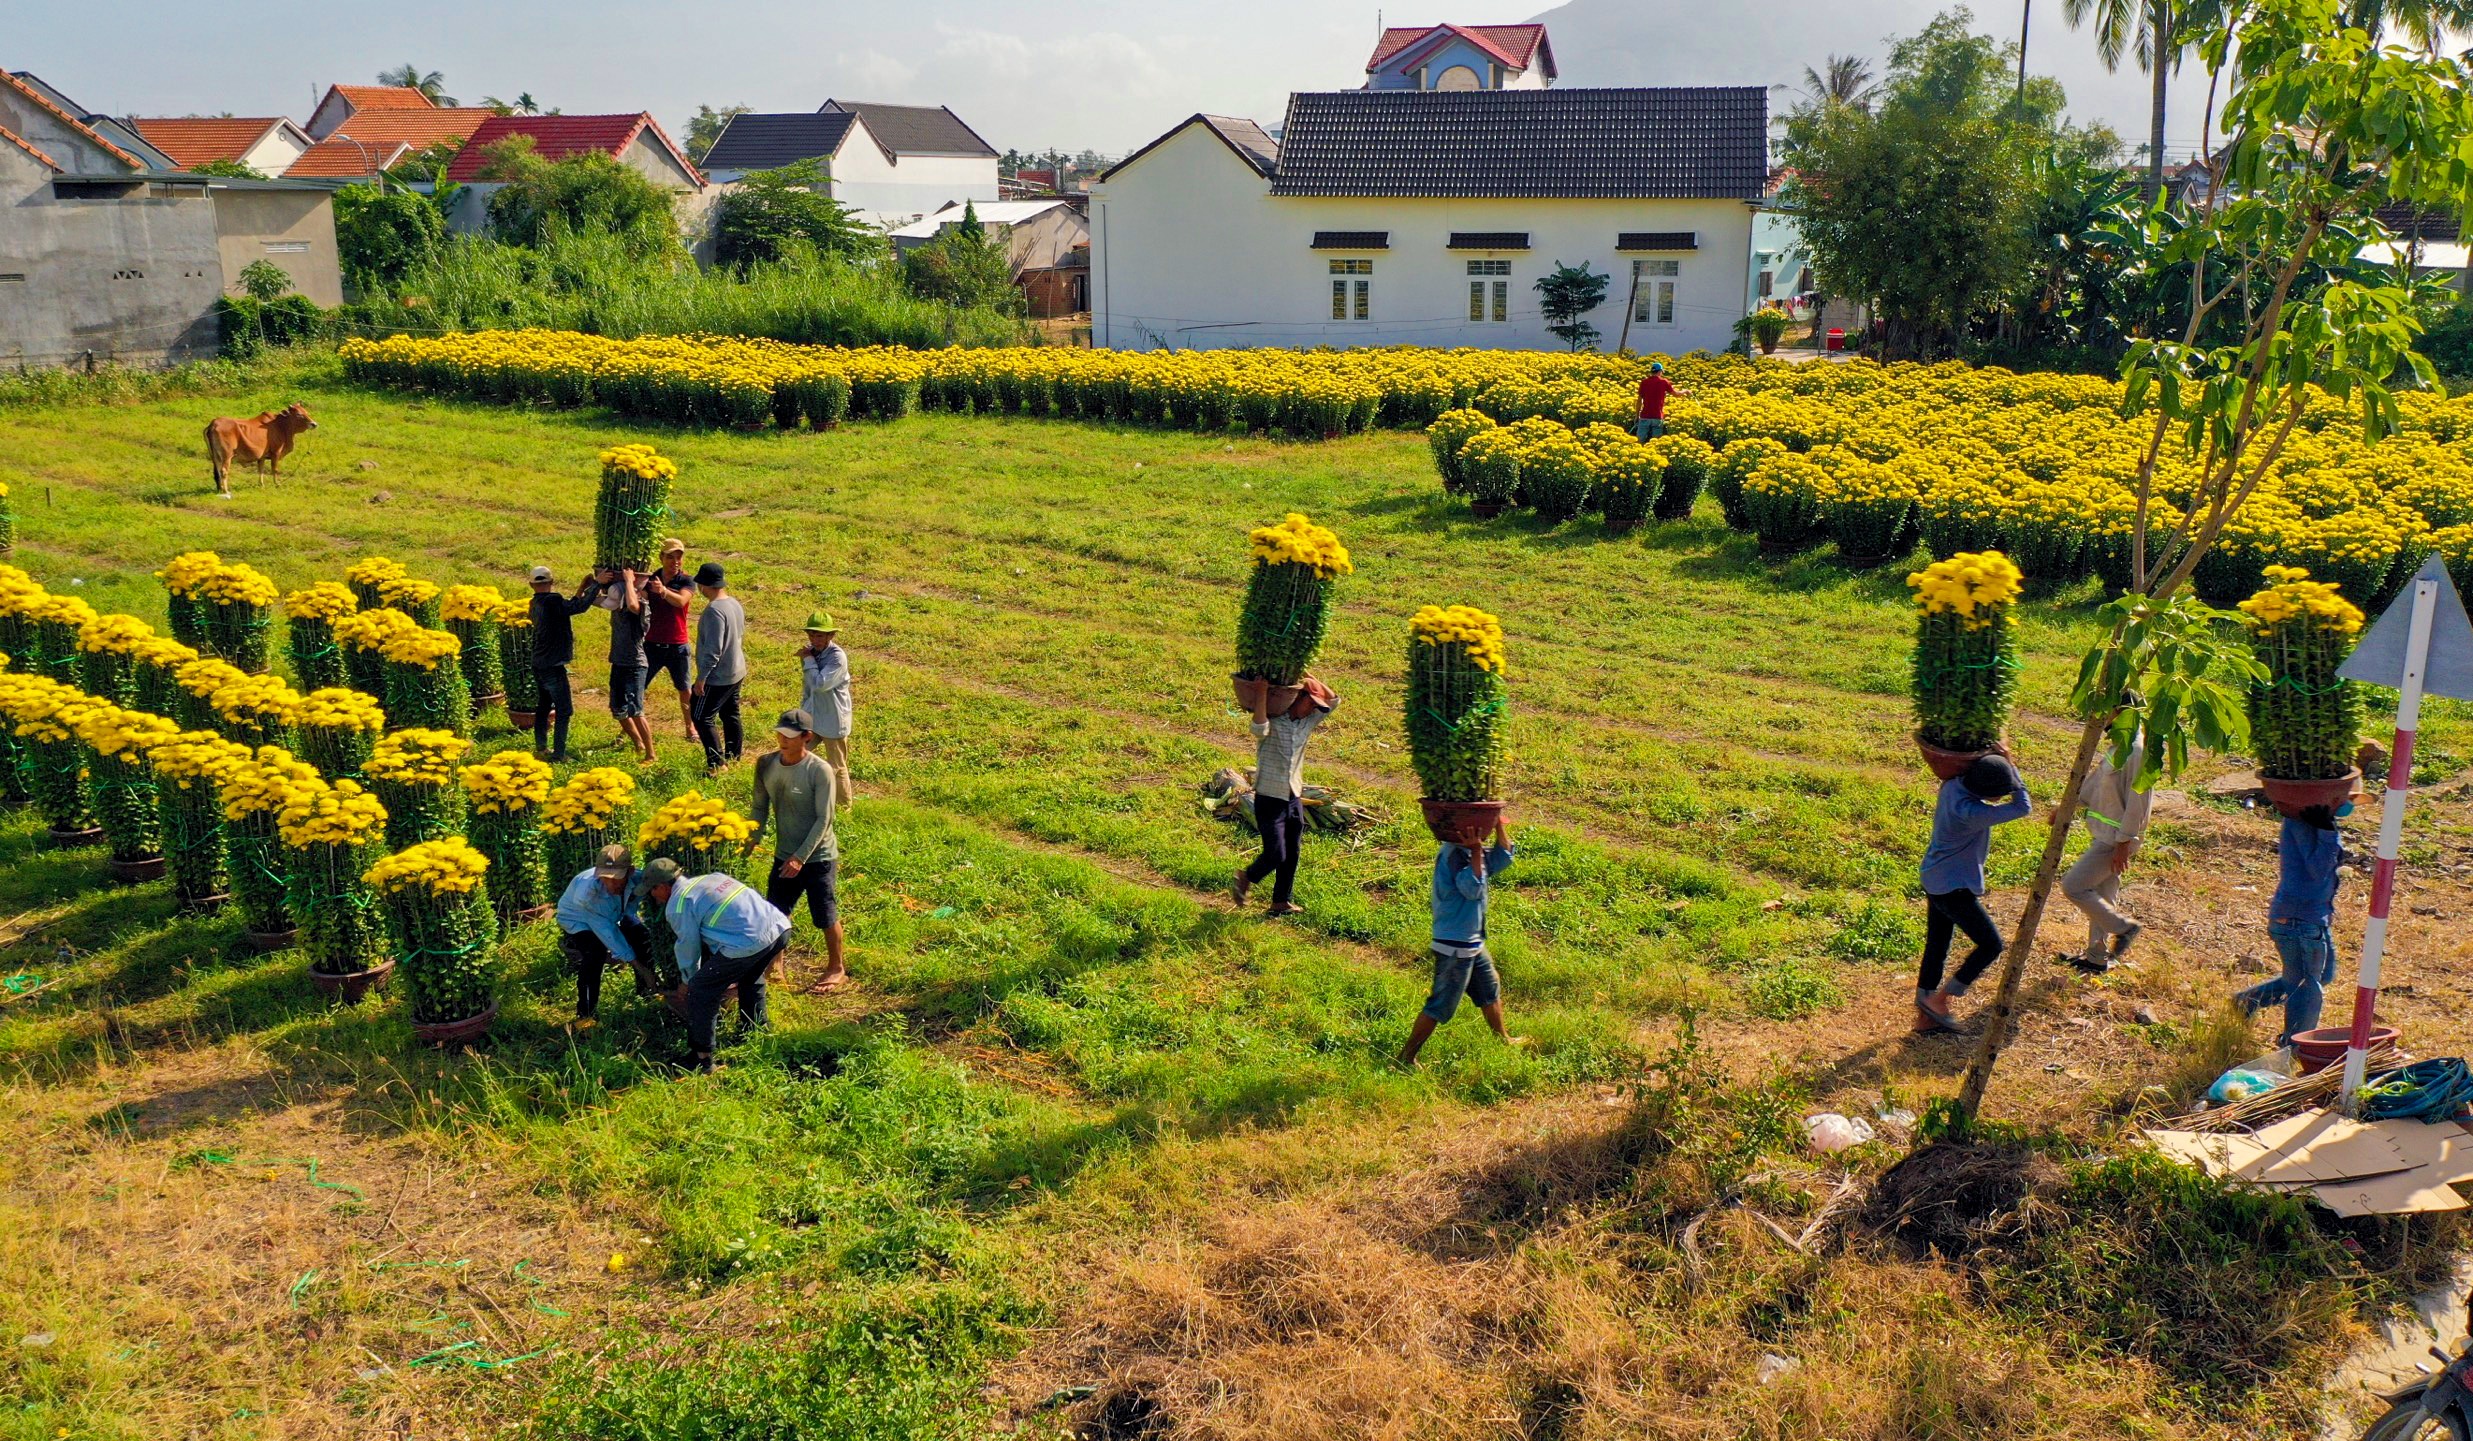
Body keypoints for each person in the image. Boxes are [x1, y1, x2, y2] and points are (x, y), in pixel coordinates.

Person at [1914, 753, 2033, 1033]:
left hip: (1934, 877)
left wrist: (1998, 761)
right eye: (1998, 792)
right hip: (1953, 888)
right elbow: (2023, 807)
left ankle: (1924, 1016)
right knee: (1991, 945)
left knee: (1937, 945)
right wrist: (2012, 768)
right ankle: (1939, 1001)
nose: (2000, 797)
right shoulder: (1972, 813)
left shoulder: (1951, 787)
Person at [641, 856, 793, 1073]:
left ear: (662, 886)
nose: (653, 897)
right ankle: (757, 1031)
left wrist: (688, 981)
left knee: (701, 990)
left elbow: (688, 946)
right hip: (779, 928)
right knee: (751, 976)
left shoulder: (678, 904)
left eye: (652, 891)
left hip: (749, 941)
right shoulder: (712, 878)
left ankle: (701, 1058)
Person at [1400, 818, 1520, 1067]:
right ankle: (1406, 1057)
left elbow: (1503, 858)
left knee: (1489, 988)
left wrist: (1498, 825)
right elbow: (1471, 888)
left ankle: (1503, 1039)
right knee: (1440, 1004)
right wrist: (1476, 850)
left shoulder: (1469, 851)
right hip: (1455, 945)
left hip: (1472, 941)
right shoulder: (1454, 855)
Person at [2236, 802, 2349, 1045]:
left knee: (2323, 974)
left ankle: (2249, 1000)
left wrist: (2327, 829)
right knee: (2307, 986)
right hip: (2300, 920)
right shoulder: (2302, 821)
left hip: (2308, 917)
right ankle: (2295, 1046)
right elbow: (2318, 870)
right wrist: (2327, 832)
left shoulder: (2308, 819)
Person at [751, 708, 845, 992]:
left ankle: (836, 968)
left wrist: (800, 857)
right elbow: (759, 807)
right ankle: (776, 964)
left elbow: (824, 819)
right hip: (784, 854)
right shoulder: (766, 764)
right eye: (780, 734)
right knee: (777, 912)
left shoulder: (819, 770)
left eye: (790, 736)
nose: (783, 740)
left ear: (807, 737)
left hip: (818, 857)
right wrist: (751, 838)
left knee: (824, 915)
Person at [1233, 678, 1335, 918]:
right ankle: (1246, 877)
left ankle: (1281, 901)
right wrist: (1262, 692)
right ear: (1297, 697)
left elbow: (1334, 700)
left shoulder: (1307, 722)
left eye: (1316, 705)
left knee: (1292, 852)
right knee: (1276, 853)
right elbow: (1258, 729)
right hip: (1269, 798)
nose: (1313, 709)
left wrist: (1307, 675)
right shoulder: (1275, 720)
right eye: (1311, 702)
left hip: (1293, 797)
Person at [2060, 740, 2151, 974]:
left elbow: (2138, 802)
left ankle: (2124, 928)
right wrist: (2068, 807)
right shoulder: (2121, 744)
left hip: (2114, 840)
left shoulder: (2136, 751)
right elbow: (2098, 784)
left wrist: (2124, 842)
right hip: (2106, 834)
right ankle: (2097, 958)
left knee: (2073, 886)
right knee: (2103, 895)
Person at [553, 843, 655, 1031]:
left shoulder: (638, 878)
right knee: (595, 953)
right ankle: (586, 1014)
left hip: (616, 914)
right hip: (578, 919)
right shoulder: (587, 894)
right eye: (605, 878)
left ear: (630, 871)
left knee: (641, 935)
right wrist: (638, 966)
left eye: (616, 879)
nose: (610, 884)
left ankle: (647, 992)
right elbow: (608, 932)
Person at [526, 562, 604, 763]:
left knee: (544, 705)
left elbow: (566, 608)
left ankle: (541, 747)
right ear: (552, 581)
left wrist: (581, 589)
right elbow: (578, 607)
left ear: (531, 585)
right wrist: (597, 584)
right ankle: (559, 754)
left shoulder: (534, 604)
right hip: (553, 666)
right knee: (564, 710)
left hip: (539, 663)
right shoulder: (553, 600)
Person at [690, 561, 748, 773]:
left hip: (719, 675)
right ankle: (734, 756)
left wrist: (702, 677)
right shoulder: (734, 603)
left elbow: (714, 649)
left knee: (700, 716)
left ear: (704, 585)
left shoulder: (714, 610)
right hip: (736, 669)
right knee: (730, 713)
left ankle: (717, 763)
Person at [796, 612, 854, 809]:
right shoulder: (812, 652)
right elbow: (808, 685)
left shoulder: (837, 657)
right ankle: (800, 794)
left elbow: (820, 684)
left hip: (832, 719)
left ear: (831, 636)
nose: (815, 639)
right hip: (813, 717)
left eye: (819, 635)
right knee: (796, 753)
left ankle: (844, 807)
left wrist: (808, 660)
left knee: (837, 766)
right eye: (811, 634)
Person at [645, 539, 698, 745]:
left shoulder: (686, 580)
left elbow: (682, 601)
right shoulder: (650, 578)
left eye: (679, 557)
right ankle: (631, 727)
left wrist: (663, 591)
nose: (675, 561)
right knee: (639, 687)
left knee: (684, 688)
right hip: (651, 643)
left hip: (677, 644)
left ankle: (690, 727)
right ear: (661, 557)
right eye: (670, 557)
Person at [605, 566, 656, 764]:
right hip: (618, 662)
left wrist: (628, 580)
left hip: (636, 665)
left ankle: (651, 754)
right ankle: (638, 743)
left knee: (636, 710)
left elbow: (633, 606)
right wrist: (591, 584)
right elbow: (594, 601)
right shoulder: (617, 606)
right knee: (617, 708)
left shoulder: (643, 606)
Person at [1634, 361, 1683, 440]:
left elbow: (1639, 401)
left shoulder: (1644, 382)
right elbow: (1676, 394)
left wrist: (1637, 415)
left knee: (1639, 441)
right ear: (1660, 371)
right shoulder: (1664, 382)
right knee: (1656, 442)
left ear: (1652, 371)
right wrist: (1685, 391)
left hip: (1644, 416)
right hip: (1657, 417)